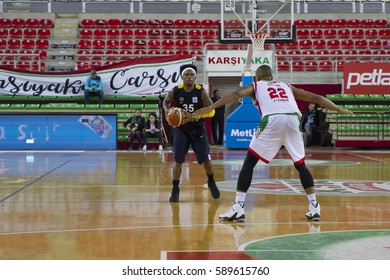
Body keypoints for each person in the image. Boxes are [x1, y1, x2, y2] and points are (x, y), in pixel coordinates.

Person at [193, 65, 353, 222]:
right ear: (272, 76)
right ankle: (314, 206)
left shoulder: (255, 85)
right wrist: (338, 109)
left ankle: (238, 207)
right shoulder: (287, 86)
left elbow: (236, 93)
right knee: (300, 164)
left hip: (273, 119)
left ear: (257, 77)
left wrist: (211, 107)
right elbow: (315, 98)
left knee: (249, 162)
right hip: (293, 119)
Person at [162, 64, 220, 202]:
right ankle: (175, 189)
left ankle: (211, 181)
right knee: (178, 161)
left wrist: (194, 116)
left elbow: (211, 110)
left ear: (195, 77)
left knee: (205, 159)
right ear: (182, 77)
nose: (189, 77)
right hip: (181, 130)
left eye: (191, 75)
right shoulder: (176, 91)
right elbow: (165, 101)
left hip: (197, 130)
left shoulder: (201, 92)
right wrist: (166, 111)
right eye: (186, 75)